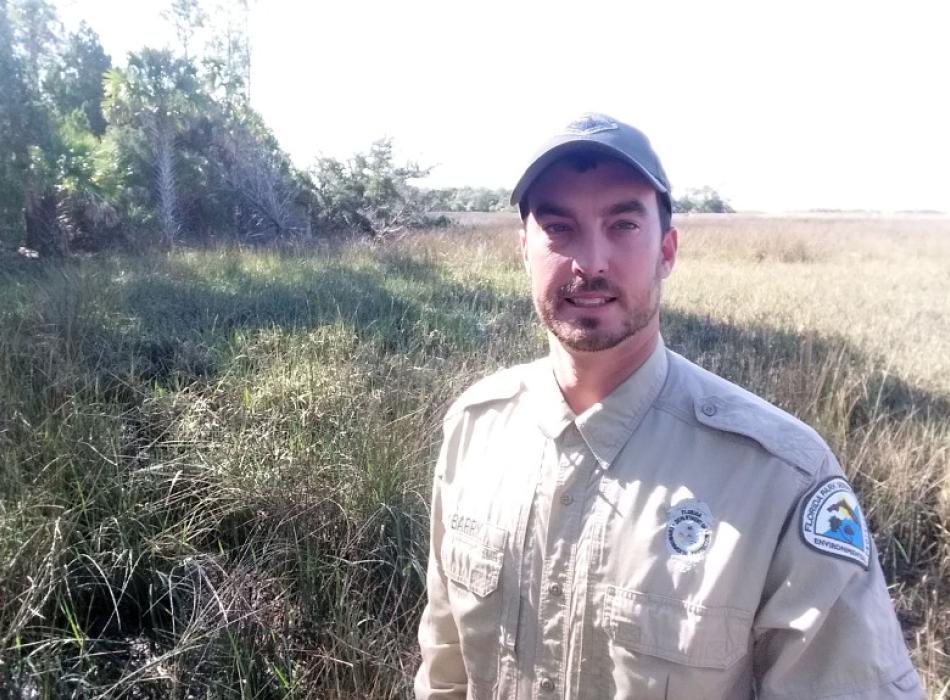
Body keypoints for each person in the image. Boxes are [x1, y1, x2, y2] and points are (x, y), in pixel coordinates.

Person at [414, 113, 923, 699]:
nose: (592, 262)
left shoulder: (779, 477)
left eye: (623, 224)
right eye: (559, 228)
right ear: (523, 249)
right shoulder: (477, 429)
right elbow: (446, 665)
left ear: (668, 249)